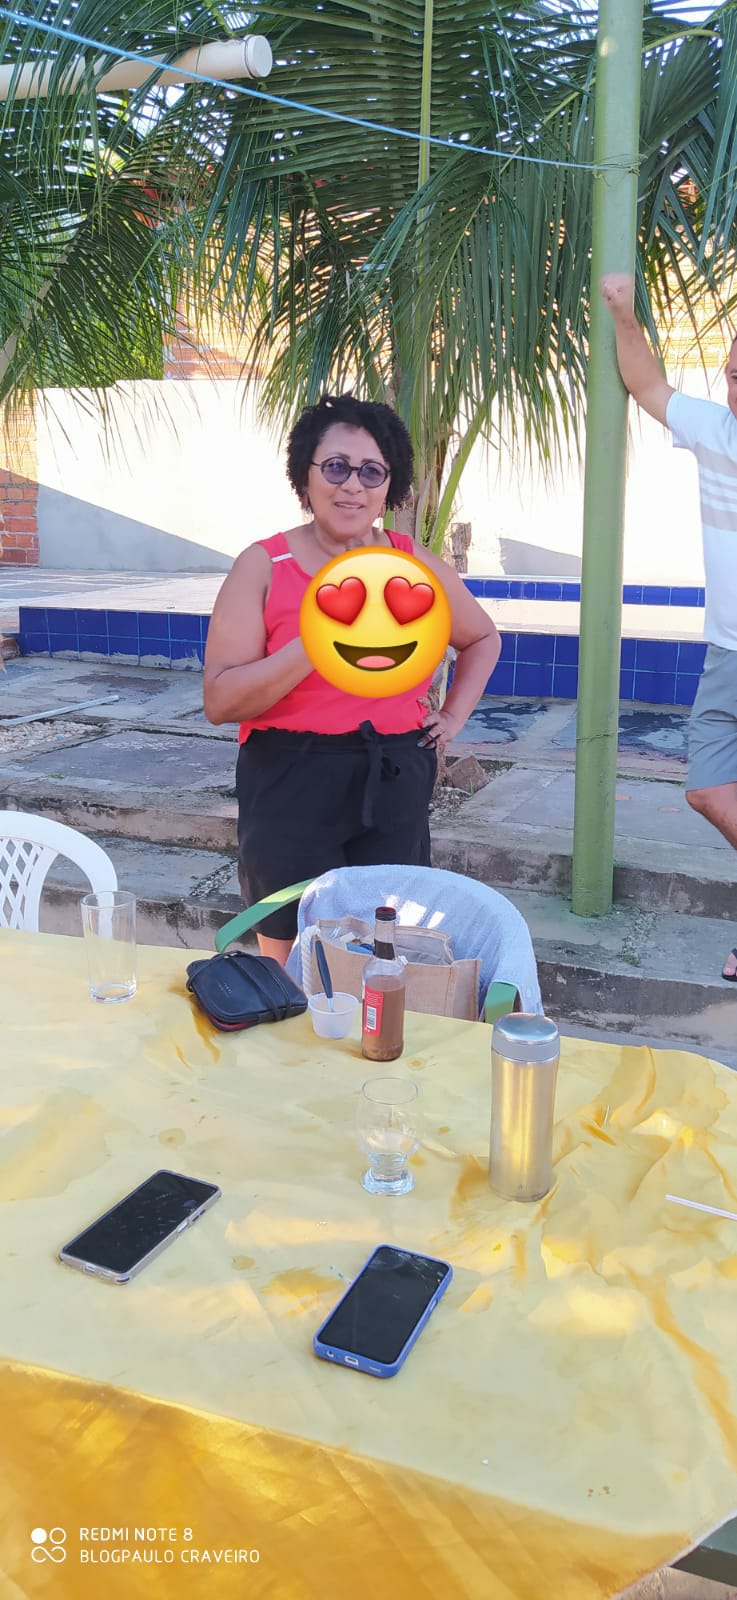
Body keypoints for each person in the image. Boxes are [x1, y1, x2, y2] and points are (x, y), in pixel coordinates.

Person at [204, 392, 500, 965]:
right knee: (292, 959)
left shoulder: (414, 565)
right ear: (305, 475)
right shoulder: (264, 566)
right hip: (290, 778)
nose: (352, 486)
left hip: (393, 774)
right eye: (336, 467)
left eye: (371, 471)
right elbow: (220, 700)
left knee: (387, 953)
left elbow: (482, 638)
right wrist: (320, 643)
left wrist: (452, 716)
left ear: (390, 484)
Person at [601, 273, 737, 982]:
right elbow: (646, 384)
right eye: (736, 375)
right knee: (706, 789)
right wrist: (623, 313)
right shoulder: (716, 431)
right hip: (726, 654)